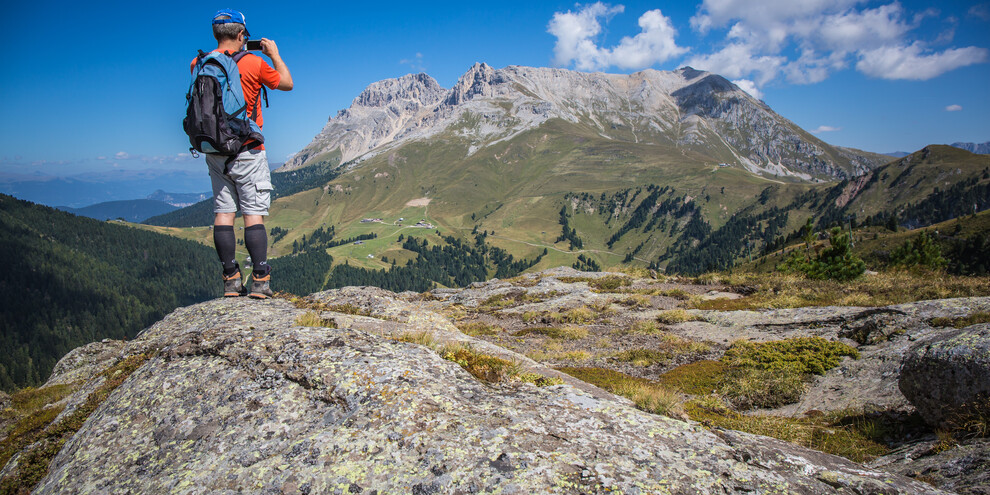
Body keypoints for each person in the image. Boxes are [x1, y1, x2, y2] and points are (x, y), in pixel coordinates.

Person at [192, 9, 293, 299]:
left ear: (216, 34)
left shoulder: (198, 64)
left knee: (223, 213)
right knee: (253, 214)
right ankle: (260, 279)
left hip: (214, 150)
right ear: (241, 34)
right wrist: (274, 54)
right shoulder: (253, 63)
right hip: (248, 149)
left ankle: (231, 279)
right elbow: (287, 83)